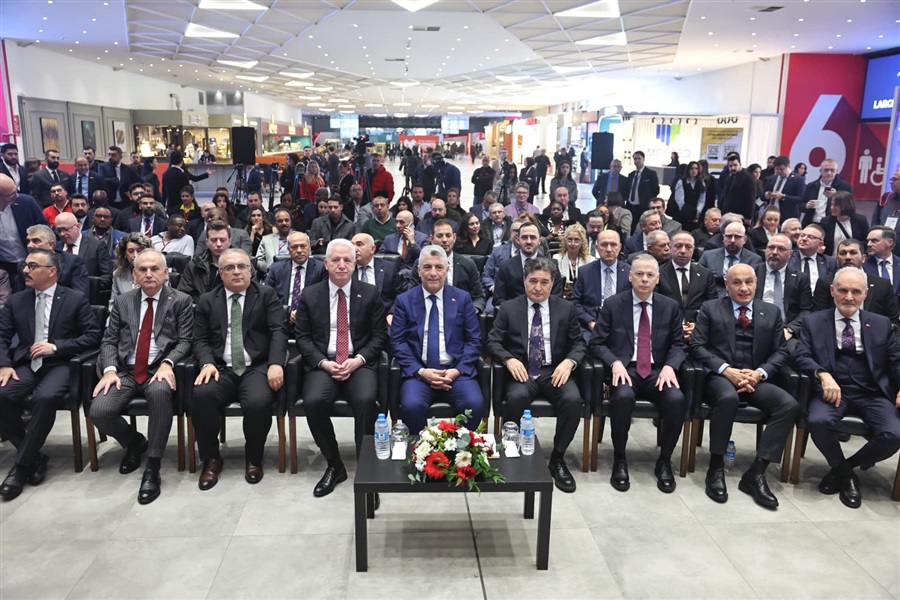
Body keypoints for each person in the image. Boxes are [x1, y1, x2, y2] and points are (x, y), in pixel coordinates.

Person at [689, 264, 799, 509]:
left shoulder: (771, 312)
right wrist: (726, 370)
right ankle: (716, 466)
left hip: (755, 377)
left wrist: (759, 373)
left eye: (749, 282)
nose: (744, 288)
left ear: (756, 283)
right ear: (727, 285)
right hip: (720, 377)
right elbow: (696, 346)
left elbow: (781, 351)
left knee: (788, 405)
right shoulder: (710, 308)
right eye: (737, 282)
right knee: (728, 398)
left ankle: (757, 472)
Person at [90, 248, 193, 504]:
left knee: (159, 393)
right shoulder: (123, 301)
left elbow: (186, 340)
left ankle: (152, 467)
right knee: (99, 411)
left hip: (157, 370)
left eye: (154, 269)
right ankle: (134, 442)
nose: (149, 274)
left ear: (166, 273)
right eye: (142, 270)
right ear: (134, 275)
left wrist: (168, 363)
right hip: (125, 371)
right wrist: (110, 370)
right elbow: (109, 340)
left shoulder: (180, 300)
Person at [795, 267, 900, 509]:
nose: (849, 297)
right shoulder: (814, 321)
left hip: (872, 392)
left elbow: (895, 361)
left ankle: (843, 469)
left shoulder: (881, 324)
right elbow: (800, 355)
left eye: (855, 291)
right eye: (843, 290)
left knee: (895, 434)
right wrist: (822, 374)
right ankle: (847, 476)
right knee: (818, 422)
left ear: (865, 294)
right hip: (833, 391)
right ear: (832, 291)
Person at [0, 249, 101, 500]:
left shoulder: (74, 299)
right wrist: (4, 364)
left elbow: (92, 337)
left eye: (33, 266)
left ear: (52, 271)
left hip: (61, 363)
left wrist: (56, 346)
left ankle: (20, 467)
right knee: (2, 394)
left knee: (45, 397)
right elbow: (2, 337)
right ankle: (34, 456)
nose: (25, 270)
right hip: (27, 363)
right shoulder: (17, 301)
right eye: (26, 265)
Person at [295, 239, 388, 498]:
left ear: (355, 263)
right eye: (335, 260)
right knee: (313, 401)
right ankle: (335, 464)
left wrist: (358, 360)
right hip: (324, 363)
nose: (342, 265)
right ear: (325, 264)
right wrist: (323, 363)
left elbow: (380, 336)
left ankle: (366, 468)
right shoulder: (310, 294)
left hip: (359, 363)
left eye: (347, 260)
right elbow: (302, 337)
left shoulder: (370, 293)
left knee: (366, 400)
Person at [486, 256, 584, 493]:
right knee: (516, 398)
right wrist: (508, 359)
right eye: (533, 281)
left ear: (552, 283)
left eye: (544, 282)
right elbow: (492, 341)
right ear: (524, 281)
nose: (538, 287)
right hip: (521, 369)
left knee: (573, 400)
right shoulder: (509, 308)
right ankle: (512, 453)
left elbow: (579, 343)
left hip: (554, 370)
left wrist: (569, 362)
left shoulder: (566, 308)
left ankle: (557, 458)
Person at [191, 249, 287, 490]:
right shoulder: (207, 300)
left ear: (250, 270)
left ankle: (254, 458)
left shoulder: (265, 295)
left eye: (242, 266)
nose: (236, 272)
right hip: (220, 367)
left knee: (258, 402)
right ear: (220, 273)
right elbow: (199, 339)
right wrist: (207, 363)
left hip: (256, 366)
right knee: (201, 395)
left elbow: (278, 330)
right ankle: (211, 459)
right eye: (230, 268)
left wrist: (276, 363)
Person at [591, 254, 687, 493]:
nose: (644, 279)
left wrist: (670, 366)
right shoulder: (613, 304)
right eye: (639, 274)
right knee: (623, 397)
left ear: (658, 279)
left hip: (658, 370)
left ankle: (664, 460)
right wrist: (614, 363)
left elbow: (679, 344)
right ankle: (620, 458)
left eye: (650, 275)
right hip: (626, 369)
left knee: (676, 399)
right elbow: (596, 343)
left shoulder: (670, 307)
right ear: (630, 276)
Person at [391, 245, 483, 434]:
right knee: (411, 405)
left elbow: (474, 340)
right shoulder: (404, 300)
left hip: (456, 371)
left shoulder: (462, 298)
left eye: (439, 267)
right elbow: (397, 342)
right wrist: (421, 371)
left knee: (474, 403)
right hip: (419, 372)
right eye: (427, 267)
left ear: (447, 270)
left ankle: (460, 450)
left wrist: (456, 370)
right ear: (418, 270)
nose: (433, 273)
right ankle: (420, 450)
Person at [813, 239, 900, 334]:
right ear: (837, 259)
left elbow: (893, 320)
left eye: (853, 253)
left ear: (863, 258)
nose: (848, 257)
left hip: (875, 336)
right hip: (834, 335)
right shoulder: (825, 282)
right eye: (843, 253)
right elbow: (818, 317)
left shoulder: (882, 284)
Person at [407, 219, 486, 314]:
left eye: (448, 236)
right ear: (431, 239)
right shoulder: (421, 263)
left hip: (460, 314)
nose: (444, 240)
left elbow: (479, 297)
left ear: (454, 238)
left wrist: (471, 311)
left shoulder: (468, 264)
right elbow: (412, 294)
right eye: (440, 236)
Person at [754, 233, 813, 353]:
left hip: (785, 329)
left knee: (796, 353)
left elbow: (806, 310)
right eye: (771, 248)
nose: (774, 252)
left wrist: (790, 329)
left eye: (781, 249)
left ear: (790, 254)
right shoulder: (753, 272)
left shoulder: (800, 278)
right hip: (755, 327)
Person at [572, 230, 631, 335]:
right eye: (604, 245)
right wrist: (590, 322)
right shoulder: (585, 272)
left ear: (620, 247)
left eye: (613, 245)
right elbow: (575, 303)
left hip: (621, 326)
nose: (609, 249)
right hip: (591, 326)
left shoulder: (630, 272)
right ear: (596, 247)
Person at [493, 221, 564, 307]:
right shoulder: (506, 267)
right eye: (524, 237)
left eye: (533, 237)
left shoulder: (552, 265)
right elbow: (498, 299)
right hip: (515, 312)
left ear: (540, 240)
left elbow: (557, 298)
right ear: (518, 239)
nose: (529, 241)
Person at [264, 231, 327, 322]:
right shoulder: (276, 269)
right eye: (294, 247)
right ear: (288, 250)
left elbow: (324, 298)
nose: (299, 250)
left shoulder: (321, 269)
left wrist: (302, 313)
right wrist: (286, 313)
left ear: (309, 248)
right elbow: (267, 297)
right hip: (281, 318)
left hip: (311, 319)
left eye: (303, 246)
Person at [22, 225, 89, 297]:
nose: (30, 245)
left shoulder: (72, 262)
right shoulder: (23, 265)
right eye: (28, 241)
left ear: (51, 245)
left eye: (36, 241)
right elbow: (19, 296)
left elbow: (80, 296)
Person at [699, 221, 763, 295]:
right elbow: (698, 280)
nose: (732, 240)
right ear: (723, 238)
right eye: (729, 236)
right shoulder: (708, 256)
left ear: (745, 240)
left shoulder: (755, 260)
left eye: (737, 237)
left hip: (742, 297)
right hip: (713, 297)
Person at [54, 213, 113, 292]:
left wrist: (84, 287)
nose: (62, 234)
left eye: (66, 229)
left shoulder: (96, 246)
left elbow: (107, 277)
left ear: (78, 226)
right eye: (59, 231)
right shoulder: (55, 248)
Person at [178, 220, 231, 300]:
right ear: (207, 242)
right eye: (214, 240)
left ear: (230, 241)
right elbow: (184, 295)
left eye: (222, 240)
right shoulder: (194, 265)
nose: (218, 244)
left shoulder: (242, 265)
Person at [351, 233, 402, 315]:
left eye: (359, 244)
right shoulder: (347, 268)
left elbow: (400, 296)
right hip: (354, 316)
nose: (354, 249)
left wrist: (392, 313)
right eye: (352, 245)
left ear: (372, 249)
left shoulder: (390, 268)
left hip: (382, 315)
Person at [789, 224, 838, 296]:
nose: (804, 239)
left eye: (811, 237)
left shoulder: (830, 262)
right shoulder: (788, 258)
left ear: (820, 244)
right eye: (802, 235)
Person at [802, 158, 852, 226]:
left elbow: (849, 207)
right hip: (811, 222)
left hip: (832, 224)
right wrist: (806, 206)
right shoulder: (811, 186)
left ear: (836, 171)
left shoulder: (845, 186)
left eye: (832, 170)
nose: (829, 173)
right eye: (826, 170)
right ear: (820, 171)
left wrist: (836, 196)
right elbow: (800, 205)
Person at [821, 191, 868, 256]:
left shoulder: (860, 220)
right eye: (831, 204)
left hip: (852, 258)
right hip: (832, 259)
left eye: (836, 205)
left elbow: (865, 241)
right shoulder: (826, 221)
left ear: (845, 205)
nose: (832, 207)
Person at [761, 155, 805, 223]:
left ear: (788, 166)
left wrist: (783, 197)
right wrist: (766, 195)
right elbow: (762, 195)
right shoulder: (772, 178)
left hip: (786, 216)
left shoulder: (798, 179)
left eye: (782, 169)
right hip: (769, 214)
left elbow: (800, 199)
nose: (779, 171)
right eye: (777, 169)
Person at [554, 223, 593, 299]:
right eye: (570, 239)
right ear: (565, 241)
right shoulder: (556, 259)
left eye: (577, 240)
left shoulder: (590, 261)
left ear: (582, 242)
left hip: (582, 298)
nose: (573, 243)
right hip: (562, 299)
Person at [670, 161, 711, 232]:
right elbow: (679, 201)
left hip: (695, 214)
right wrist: (687, 211)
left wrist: (697, 211)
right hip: (682, 212)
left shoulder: (701, 183)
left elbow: (702, 200)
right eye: (692, 168)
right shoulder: (681, 182)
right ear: (688, 170)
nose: (694, 171)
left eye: (696, 168)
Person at [111, 233, 152, 304]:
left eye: (139, 250)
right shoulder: (118, 274)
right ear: (125, 254)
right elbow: (113, 304)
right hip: (124, 310)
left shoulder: (159, 273)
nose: (135, 255)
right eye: (131, 251)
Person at [719, 154, 758, 225]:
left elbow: (751, 199)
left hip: (741, 215)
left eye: (735, 165)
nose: (733, 168)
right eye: (730, 166)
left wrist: (748, 217)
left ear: (740, 164)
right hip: (727, 214)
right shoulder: (729, 178)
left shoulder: (748, 178)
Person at [864, 226, 900, 300]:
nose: (869, 244)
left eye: (874, 241)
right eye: (868, 241)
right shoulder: (863, 265)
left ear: (890, 242)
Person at [254, 209, 294, 275]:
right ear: (275, 224)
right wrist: (268, 268)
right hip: (273, 275)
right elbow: (258, 260)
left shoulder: (301, 237)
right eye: (280, 221)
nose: (284, 223)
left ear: (290, 222)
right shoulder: (266, 239)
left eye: (286, 220)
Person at [625, 151, 660, 225]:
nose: (637, 160)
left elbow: (655, 190)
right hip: (630, 207)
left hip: (643, 207)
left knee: (643, 225)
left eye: (639, 158)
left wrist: (648, 201)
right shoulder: (631, 175)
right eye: (635, 159)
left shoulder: (651, 174)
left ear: (643, 159)